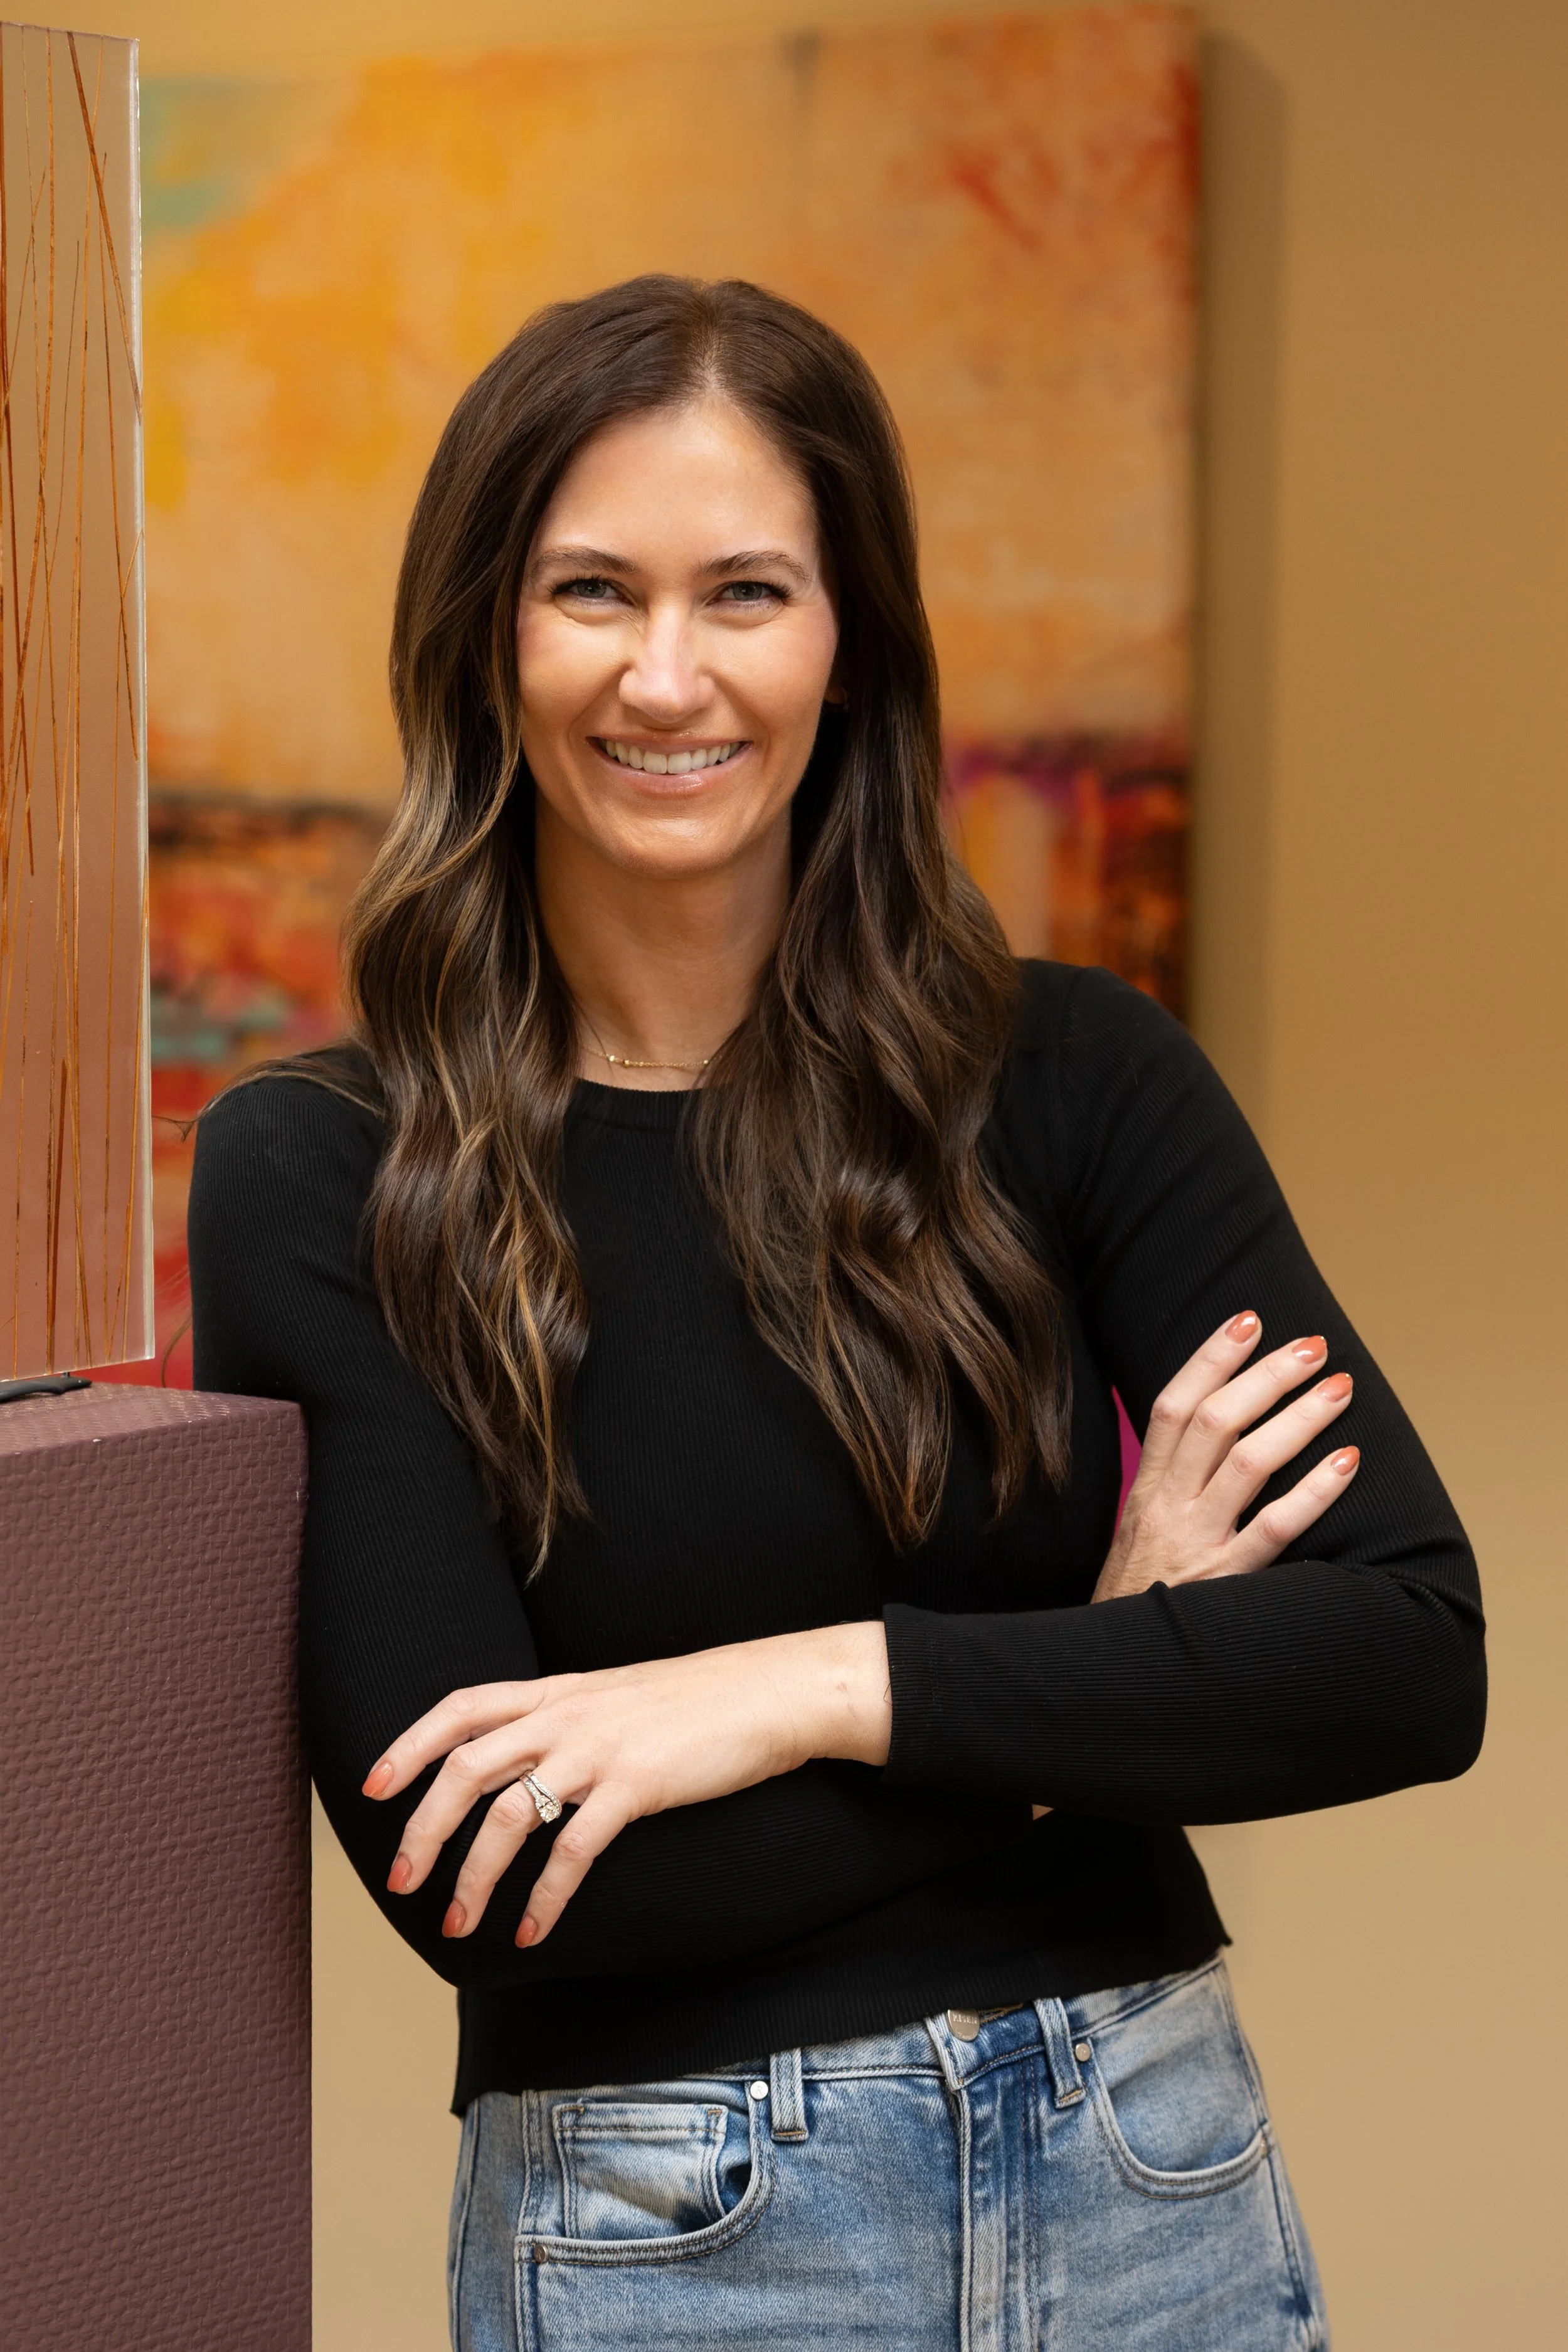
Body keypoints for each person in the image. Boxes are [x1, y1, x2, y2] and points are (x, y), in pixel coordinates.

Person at [187, 275, 1484, 2351]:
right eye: (592, 589)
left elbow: (1408, 1656)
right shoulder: (328, 1169)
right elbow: (498, 1884)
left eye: (749, 592)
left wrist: (809, 1687)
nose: (669, 675)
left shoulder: (1074, 1077)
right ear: (485, 640)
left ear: (848, 640)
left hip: (1152, 2172)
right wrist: (1092, 1669)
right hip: (677, 2234)